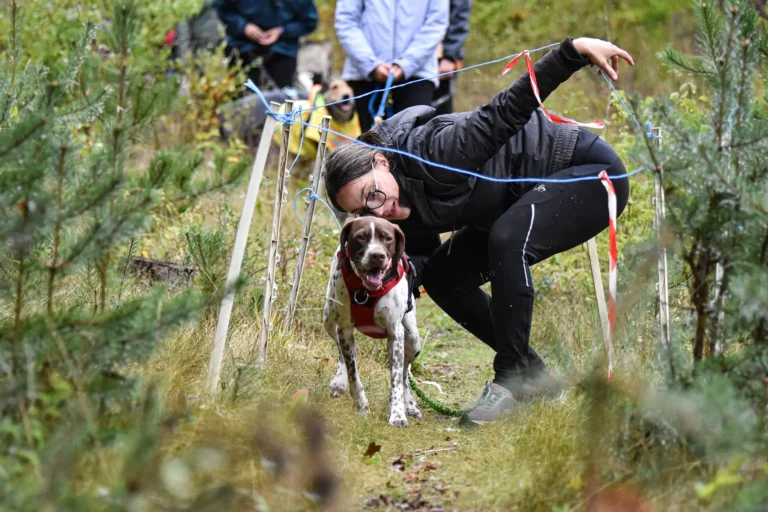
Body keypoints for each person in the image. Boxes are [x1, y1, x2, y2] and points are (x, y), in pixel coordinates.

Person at [323, 37, 634, 424]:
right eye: (359, 210)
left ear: (383, 162)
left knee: (508, 237)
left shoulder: (436, 150)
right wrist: (381, 285)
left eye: (373, 194)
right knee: (443, 275)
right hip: (517, 202)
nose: (377, 210)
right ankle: (533, 377)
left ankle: (510, 379)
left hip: (587, 173)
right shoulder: (394, 213)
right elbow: (419, 263)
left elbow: (508, 109)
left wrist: (573, 52)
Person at [335, 0, 449, 131]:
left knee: (412, 144)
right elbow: (346, 21)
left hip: (418, 75)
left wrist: (406, 64)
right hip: (365, 76)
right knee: (367, 146)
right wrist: (371, 64)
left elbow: (436, 23)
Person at [214, 0, 318, 89]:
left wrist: (281, 31)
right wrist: (244, 27)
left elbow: (309, 21)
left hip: (283, 51)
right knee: (244, 99)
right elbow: (221, 9)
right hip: (243, 48)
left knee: (284, 100)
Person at [433, 0, 472, 115]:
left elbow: (460, 14)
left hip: (442, 59)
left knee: (439, 115)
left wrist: (450, 56)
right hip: (405, 60)